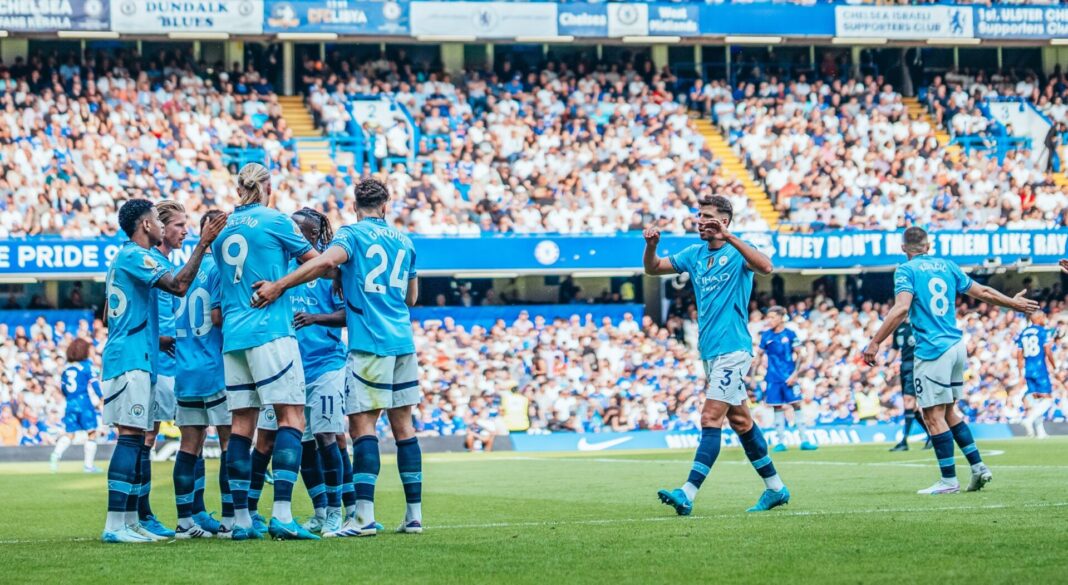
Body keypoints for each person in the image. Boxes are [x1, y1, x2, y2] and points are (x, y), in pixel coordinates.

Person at [251, 178, 423, 536]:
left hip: (370, 344)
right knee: (404, 429)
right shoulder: (405, 242)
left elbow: (325, 261)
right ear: (386, 206)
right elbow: (411, 298)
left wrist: (281, 284)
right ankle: (413, 516)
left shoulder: (352, 235)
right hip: (403, 343)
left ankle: (362, 517)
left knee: (362, 430)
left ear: (355, 206)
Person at [862, 227, 1038, 495]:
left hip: (933, 350)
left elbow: (901, 309)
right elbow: (985, 293)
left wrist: (875, 341)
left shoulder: (906, 270)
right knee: (948, 412)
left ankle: (948, 481)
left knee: (932, 416)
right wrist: (1012, 304)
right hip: (956, 346)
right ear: (929, 245)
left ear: (902, 248)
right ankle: (978, 467)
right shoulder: (947, 265)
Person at [643, 196, 791, 515]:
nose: (700, 221)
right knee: (740, 421)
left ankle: (687, 493)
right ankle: (776, 488)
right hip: (710, 351)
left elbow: (767, 266)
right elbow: (653, 269)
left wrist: (729, 237)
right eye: (699, 216)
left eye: (708, 216)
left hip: (733, 348)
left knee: (710, 418)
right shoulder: (694, 254)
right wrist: (651, 245)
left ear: (723, 221)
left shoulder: (737, 252)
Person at [100, 198, 226, 544]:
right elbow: (179, 286)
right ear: (146, 225)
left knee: (138, 438)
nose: (160, 225)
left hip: (141, 357)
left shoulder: (137, 259)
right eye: (157, 219)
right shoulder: (134, 255)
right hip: (130, 360)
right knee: (130, 437)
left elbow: (105, 312)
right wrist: (203, 243)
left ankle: (131, 520)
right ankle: (115, 523)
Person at [212, 163, 321, 541]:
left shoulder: (221, 228)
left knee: (241, 426)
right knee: (292, 419)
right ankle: (282, 515)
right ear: (267, 186)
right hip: (271, 331)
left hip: (233, 337)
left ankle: (241, 520)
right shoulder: (276, 220)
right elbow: (318, 264)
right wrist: (280, 284)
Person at [287, 207, 348, 537]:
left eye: (299, 230)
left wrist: (314, 318)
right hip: (292, 369)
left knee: (328, 436)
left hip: (326, 365)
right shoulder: (280, 267)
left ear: (313, 236)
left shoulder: (329, 271)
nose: (292, 234)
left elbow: (349, 315)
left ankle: (338, 512)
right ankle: (320, 510)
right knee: (303, 443)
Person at [172, 210, 233, 539]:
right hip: (215, 368)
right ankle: (228, 520)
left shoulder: (183, 271)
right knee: (228, 444)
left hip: (185, 369)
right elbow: (219, 318)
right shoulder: (218, 270)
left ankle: (185, 522)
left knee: (189, 447)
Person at [136, 199, 187, 539]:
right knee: (144, 437)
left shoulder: (166, 262)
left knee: (152, 437)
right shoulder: (151, 262)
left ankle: (144, 512)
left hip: (170, 362)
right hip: (155, 362)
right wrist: (161, 338)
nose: (185, 231)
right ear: (161, 228)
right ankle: (140, 513)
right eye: (179, 225)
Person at [757, 306, 816, 452]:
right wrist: (753, 374)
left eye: (772, 317)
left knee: (796, 404)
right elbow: (759, 355)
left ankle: (804, 440)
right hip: (773, 378)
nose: (769, 320)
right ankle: (781, 441)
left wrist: (795, 374)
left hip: (789, 376)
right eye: (768, 317)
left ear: (781, 317)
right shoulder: (766, 336)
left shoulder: (790, 334)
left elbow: (800, 355)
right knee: (777, 407)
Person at [49, 338, 103, 473]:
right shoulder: (87, 366)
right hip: (84, 403)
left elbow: (64, 389)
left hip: (70, 403)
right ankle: (88, 466)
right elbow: (94, 383)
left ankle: (56, 454)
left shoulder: (66, 369)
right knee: (91, 433)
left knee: (70, 434)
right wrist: (101, 397)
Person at [889, 319, 931, 452]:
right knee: (911, 408)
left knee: (908, 402)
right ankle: (932, 436)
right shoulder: (899, 328)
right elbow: (895, 348)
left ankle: (904, 441)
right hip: (904, 367)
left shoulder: (919, 324)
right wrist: (886, 364)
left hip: (916, 365)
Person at [1015, 312, 1056, 439]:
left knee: (1038, 400)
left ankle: (1040, 432)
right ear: (1038, 318)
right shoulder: (1042, 331)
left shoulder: (1024, 332)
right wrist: (1054, 365)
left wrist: (1020, 372)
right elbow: (1047, 350)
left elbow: (1019, 354)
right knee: (1048, 399)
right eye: (1044, 317)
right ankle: (1029, 420)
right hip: (1040, 369)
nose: (1045, 319)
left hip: (1028, 369)